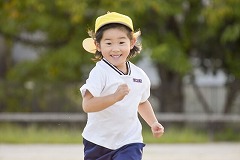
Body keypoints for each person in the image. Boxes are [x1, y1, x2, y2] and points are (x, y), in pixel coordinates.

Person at [80, 11, 164, 160]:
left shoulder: (139, 75)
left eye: (121, 42)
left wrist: (153, 122)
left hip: (130, 141)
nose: (116, 48)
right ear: (98, 45)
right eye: (108, 43)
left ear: (131, 43)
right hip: (98, 141)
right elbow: (87, 105)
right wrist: (114, 97)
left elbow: (142, 101)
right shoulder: (100, 73)